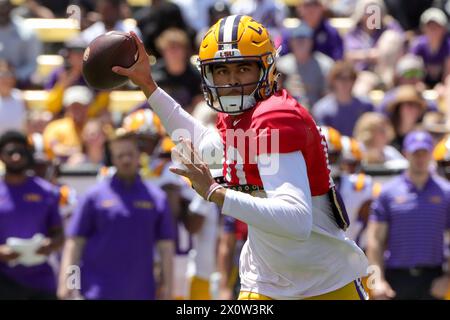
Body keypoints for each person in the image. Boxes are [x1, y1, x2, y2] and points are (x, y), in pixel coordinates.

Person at [113, 16, 369, 300]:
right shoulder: (239, 115)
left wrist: (216, 192)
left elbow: (295, 220)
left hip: (323, 283)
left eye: (243, 68)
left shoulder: (274, 115)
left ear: (267, 68)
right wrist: (149, 85)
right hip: (265, 281)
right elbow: (204, 144)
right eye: (220, 70)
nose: (231, 81)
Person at [58, 132, 175, 300]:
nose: (126, 160)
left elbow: (166, 247)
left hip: (142, 293)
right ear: (112, 159)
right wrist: (68, 284)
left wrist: (169, 290)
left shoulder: (157, 198)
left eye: (130, 154)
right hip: (96, 293)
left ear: (139, 156)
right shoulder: (94, 196)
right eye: (120, 156)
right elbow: (75, 244)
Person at [367, 130, 450, 300]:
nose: (420, 158)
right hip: (396, 279)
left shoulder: (446, 193)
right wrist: (377, 280)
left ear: (431, 154)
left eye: (424, 153)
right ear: (405, 154)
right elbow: (375, 240)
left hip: (434, 278)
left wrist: (448, 279)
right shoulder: (388, 192)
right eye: (415, 153)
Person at [0, 131, 64, 299]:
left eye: (20, 152)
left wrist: (49, 245)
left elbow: (59, 234)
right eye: (10, 152)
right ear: (1, 156)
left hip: (41, 281)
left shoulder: (47, 192)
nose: (15, 157)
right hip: (4, 280)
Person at [277, 22, 333, 108]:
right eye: (297, 40)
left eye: (304, 40)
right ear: (291, 42)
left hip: (316, 113)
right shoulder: (281, 65)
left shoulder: (325, 65)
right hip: (288, 111)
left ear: (311, 42)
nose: (300, 43)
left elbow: (328, 96)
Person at [313, 61, 374, 136]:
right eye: (341, 78)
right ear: (333, 80)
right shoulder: (322, 109)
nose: (345, 82)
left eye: (350, 78)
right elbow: (323, 137)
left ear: (354, 81)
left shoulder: (366, 105)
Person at [42, 86, 92, 162]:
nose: (77, 109)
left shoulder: (95, 127)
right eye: (73, 106)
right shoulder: (55, 127)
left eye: (81, 106)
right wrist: (78, 151)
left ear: (88, 107)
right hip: (61, 170)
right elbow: (55, 148)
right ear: (66, 108)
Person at [0, 0, 42, 87]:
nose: (1, 11)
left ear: (11, 8)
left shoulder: (26, 32)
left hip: (18, 83)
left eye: (4, 8)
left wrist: (13, 76)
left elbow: (32, 64)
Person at [410, 8, 450, 88]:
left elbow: (447, 75)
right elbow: (414, 68)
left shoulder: (448, 46)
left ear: (444, 29)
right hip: (423, 85)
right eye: (430, 27)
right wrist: (419, 84)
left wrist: (444, 87)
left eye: (437, 27)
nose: (433, 30)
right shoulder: (419, 45)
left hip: (442, 86)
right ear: (424, 28)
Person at [385, 85, 427, 151]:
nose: (413, 109)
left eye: (417, 106)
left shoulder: (423, 136)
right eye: (409, 104)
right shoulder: (387, 135)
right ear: (399, 108)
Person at [0, 60, 26, 136]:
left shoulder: (20, 97)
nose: (6, 79)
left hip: (17, 143)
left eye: (9, 75)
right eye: (2, 75)